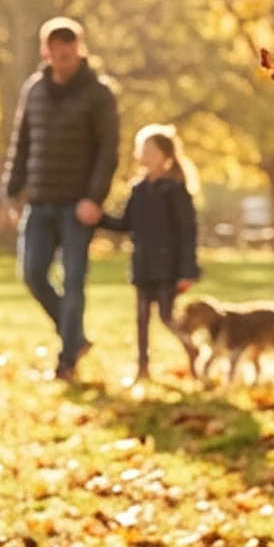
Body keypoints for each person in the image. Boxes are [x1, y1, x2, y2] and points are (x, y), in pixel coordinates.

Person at [0, 17, 120, 381]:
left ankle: (67, 359)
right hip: (40, 199)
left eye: (70, 55)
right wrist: (11, 192)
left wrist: (94, 198)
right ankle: (75, 337)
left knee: (74, 281)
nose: (64, 62)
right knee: (33, 274)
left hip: (77, 206)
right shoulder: (34, 90)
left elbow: (108, 151)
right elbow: (21, 144)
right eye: (57, 55)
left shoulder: (99, 93)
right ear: (45, 52)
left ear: (79, 51)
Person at [101, 125, 203, 385]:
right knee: (142, 318)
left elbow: (187, 231)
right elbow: (125, 224)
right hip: (143, 264)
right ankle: (142, 368)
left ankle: (192, 348)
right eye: (142, 149)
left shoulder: (175, 190)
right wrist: (98, 218)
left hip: (168, 267)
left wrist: (187, 270)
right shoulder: (138, 189)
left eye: (149, 149)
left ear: (164, 154)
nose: (143, 154)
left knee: (167, 316)